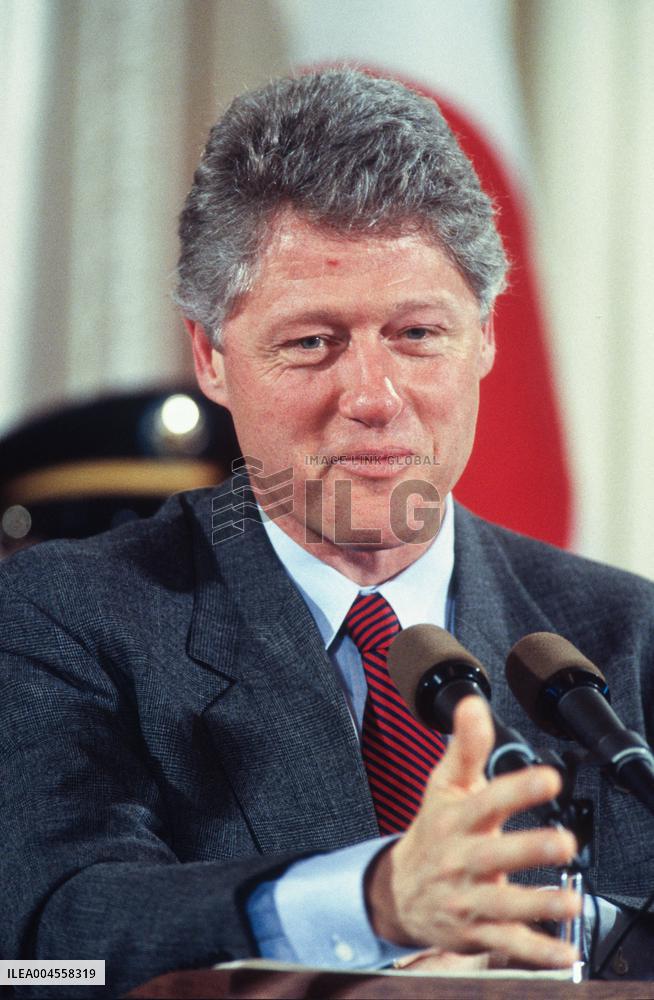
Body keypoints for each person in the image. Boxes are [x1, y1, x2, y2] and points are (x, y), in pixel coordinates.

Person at [1, 68, 653, 998]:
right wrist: (376, 901)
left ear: (486, 340)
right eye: (312, 341)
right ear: (212, 359)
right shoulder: (63, 618)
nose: (374, 399)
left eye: (419, 334)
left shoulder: (626, 638)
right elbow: (44, 951)